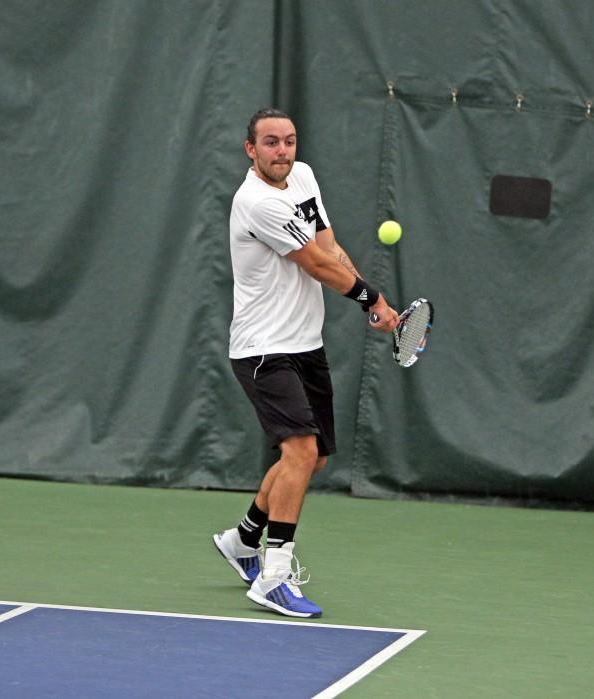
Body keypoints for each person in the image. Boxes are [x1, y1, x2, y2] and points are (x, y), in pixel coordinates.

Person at [212, 108, 399, 618]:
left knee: (312, 459)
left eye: (289, 141)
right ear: (250, 150)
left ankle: (243, 540)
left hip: (303, 342)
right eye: (270, 143)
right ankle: (272, 577)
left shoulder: (304, 177)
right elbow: (314, 265)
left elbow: (328, 246)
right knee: (299, 451)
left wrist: (372, 303)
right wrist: (372, 299)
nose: (282, 151)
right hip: (262, 349)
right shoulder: (255, 202)